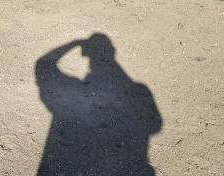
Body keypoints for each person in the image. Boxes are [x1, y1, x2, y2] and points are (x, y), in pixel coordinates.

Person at [35, 34, 162, 175]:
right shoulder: (139, 90)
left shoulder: (76, 89)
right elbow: (155, 126)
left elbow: (42, 65)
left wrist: (74, 43)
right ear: (112, 51)